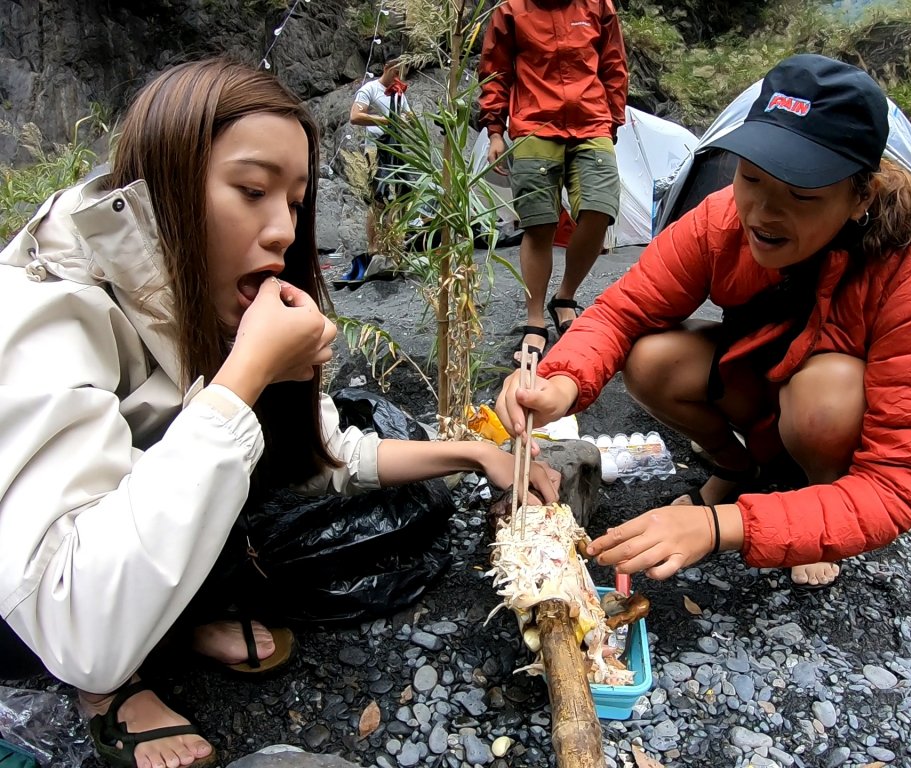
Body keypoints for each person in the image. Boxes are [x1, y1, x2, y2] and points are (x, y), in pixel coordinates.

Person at [0, 58, 557, 768]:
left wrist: (476, 454)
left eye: (293, 202)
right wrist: (245, 378)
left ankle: (179, 616)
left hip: (121, 559)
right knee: (112, 619)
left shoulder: (206, 288)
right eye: (251, 190)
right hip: (32, 602)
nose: (282, 233)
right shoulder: (48, 309)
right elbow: (70, 617)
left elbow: (325, 454)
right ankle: (111, 694)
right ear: (165, 181)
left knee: (253, 462)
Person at [496, 54, 911, 591]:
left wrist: (724, 526)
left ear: (861, 196)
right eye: (751, 177)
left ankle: (807, 499)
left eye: (801, 195)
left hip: (824, 411)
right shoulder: (722, 219)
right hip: (762, 378)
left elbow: (896, 487)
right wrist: (559, 381)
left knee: (826, 397)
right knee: (651, 360)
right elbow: (624, 310)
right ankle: (738, 471)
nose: (762, 212)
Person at [477, 0, 629, 364]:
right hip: (534, 123)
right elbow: (495, 71)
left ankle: (565, 295)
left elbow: (613, 65)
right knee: (538, 222)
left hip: (592, 120)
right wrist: (495, 131)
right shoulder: (511, 10)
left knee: (599, 209)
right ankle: (535, 320)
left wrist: (614, 119)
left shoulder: (597, 5)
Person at [348, 57, 412, 260]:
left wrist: (407, 120)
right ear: (387, 68)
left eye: (401, 73)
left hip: (395, 147)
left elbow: (409, 117)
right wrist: (385, 119)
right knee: (378, 196)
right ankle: (373, 246)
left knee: (399, 195)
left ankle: (394, 242)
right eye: (395, 72)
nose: (397, 77)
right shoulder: (370, 89)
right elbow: (355, 116)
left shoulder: (399, 93)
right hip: (375, 147)